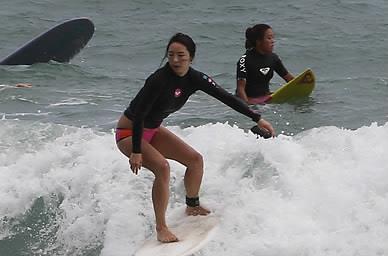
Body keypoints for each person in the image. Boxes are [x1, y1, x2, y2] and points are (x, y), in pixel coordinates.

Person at [115, 33, 275, 243]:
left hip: (152, 130)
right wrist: (136, 151)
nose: (175, 60)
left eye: (181, 55)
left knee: (195, 160)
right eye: (171, 55)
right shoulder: (158, 79)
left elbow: (226, 97)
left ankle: (192, 206)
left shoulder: (195, 78)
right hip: (129, 132)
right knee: (162, 168)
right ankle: (161, 228)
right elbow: (140, 115)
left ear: (191, 57)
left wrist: (257, 118)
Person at [236, 24, 294, 104]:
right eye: (269, 38)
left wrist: (302, 84)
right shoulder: (244, 60)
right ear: (259, 41)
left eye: (273, 38)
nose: (273, 41)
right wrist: (248, 106)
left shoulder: (273, 58)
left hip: (265, 99)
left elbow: (289, 79)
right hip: (249, 100)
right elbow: (240, 89)